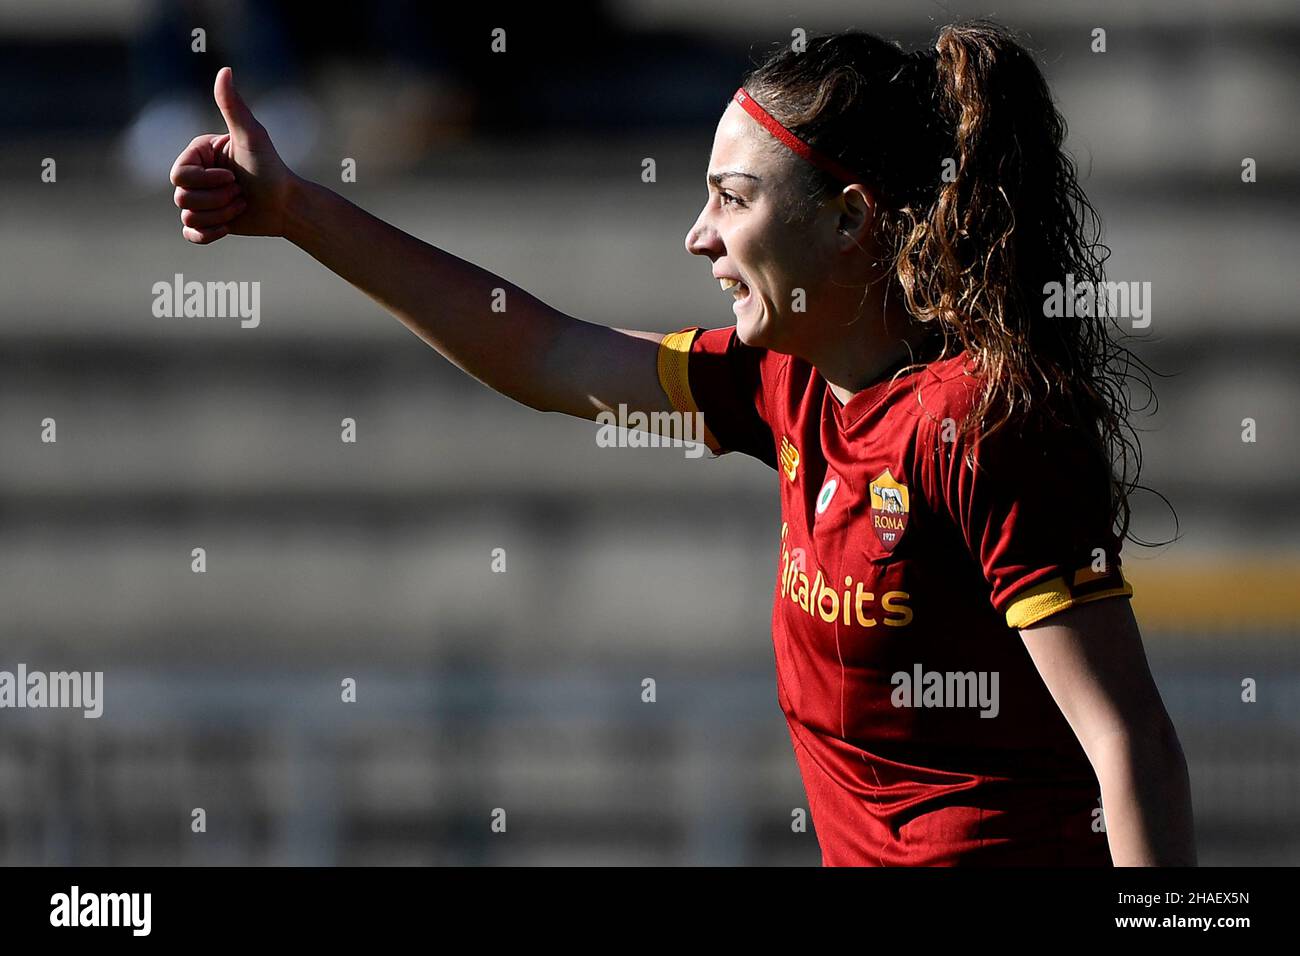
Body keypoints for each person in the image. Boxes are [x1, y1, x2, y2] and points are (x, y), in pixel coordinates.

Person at [168, 20, 1196, 866]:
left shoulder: (977, 422)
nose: (698, 236)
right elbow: (542, 352)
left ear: (849, 221)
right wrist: (299, 211)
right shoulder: (782, 385)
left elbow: (1128, 738)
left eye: (732, 199)